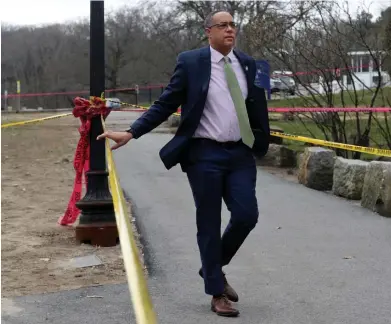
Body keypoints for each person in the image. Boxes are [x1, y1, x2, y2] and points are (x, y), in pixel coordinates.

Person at [97, 10, 270, 317]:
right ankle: (217, 293)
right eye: (223, 26)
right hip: (204, 153)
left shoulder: (247, 64)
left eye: (233, 25)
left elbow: (257, 105)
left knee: (247, 215)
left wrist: (262, 140)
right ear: (208, 32)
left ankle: (211, 268)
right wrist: (132, 132)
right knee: (208, 221)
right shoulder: (192, 63)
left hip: (240, 153)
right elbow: (165, 103)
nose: (230, 30)